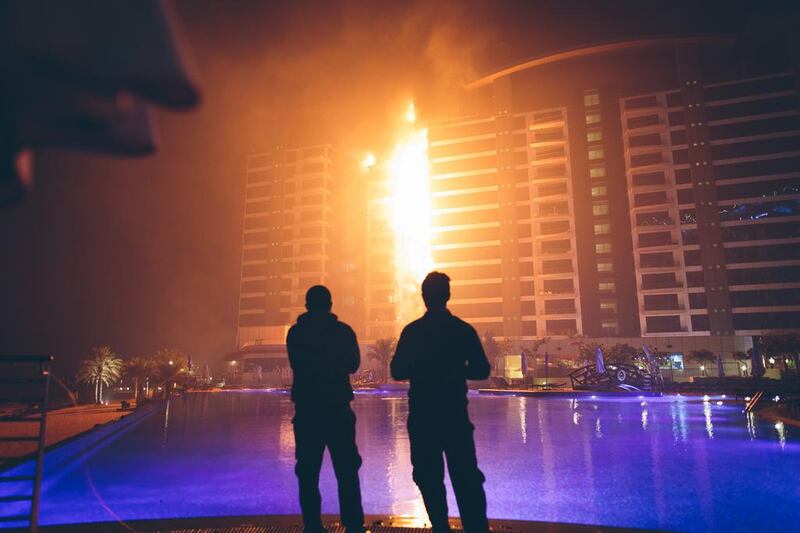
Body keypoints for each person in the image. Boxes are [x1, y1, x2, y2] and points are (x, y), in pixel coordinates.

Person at [390, 271, 491, 533]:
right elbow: (482, 370)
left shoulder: (412, 332)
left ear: (424, 297)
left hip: (423, 417)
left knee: (428, 477)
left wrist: (421, 370)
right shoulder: (462, 330)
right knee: (466, 478)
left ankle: (441, 527)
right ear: (448, 295)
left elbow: (397, 371)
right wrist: (456, 371)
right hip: (455, 416)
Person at [286, 285, 365, 533]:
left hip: (308, 411)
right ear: (330, 305)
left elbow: (296, 363)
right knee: (347, 471)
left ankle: (313, 525)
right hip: (337, 409)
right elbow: (353, 365)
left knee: (308, 473)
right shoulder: (343, 332)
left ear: (307, 305)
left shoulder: (296, 334)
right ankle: (353, 525)